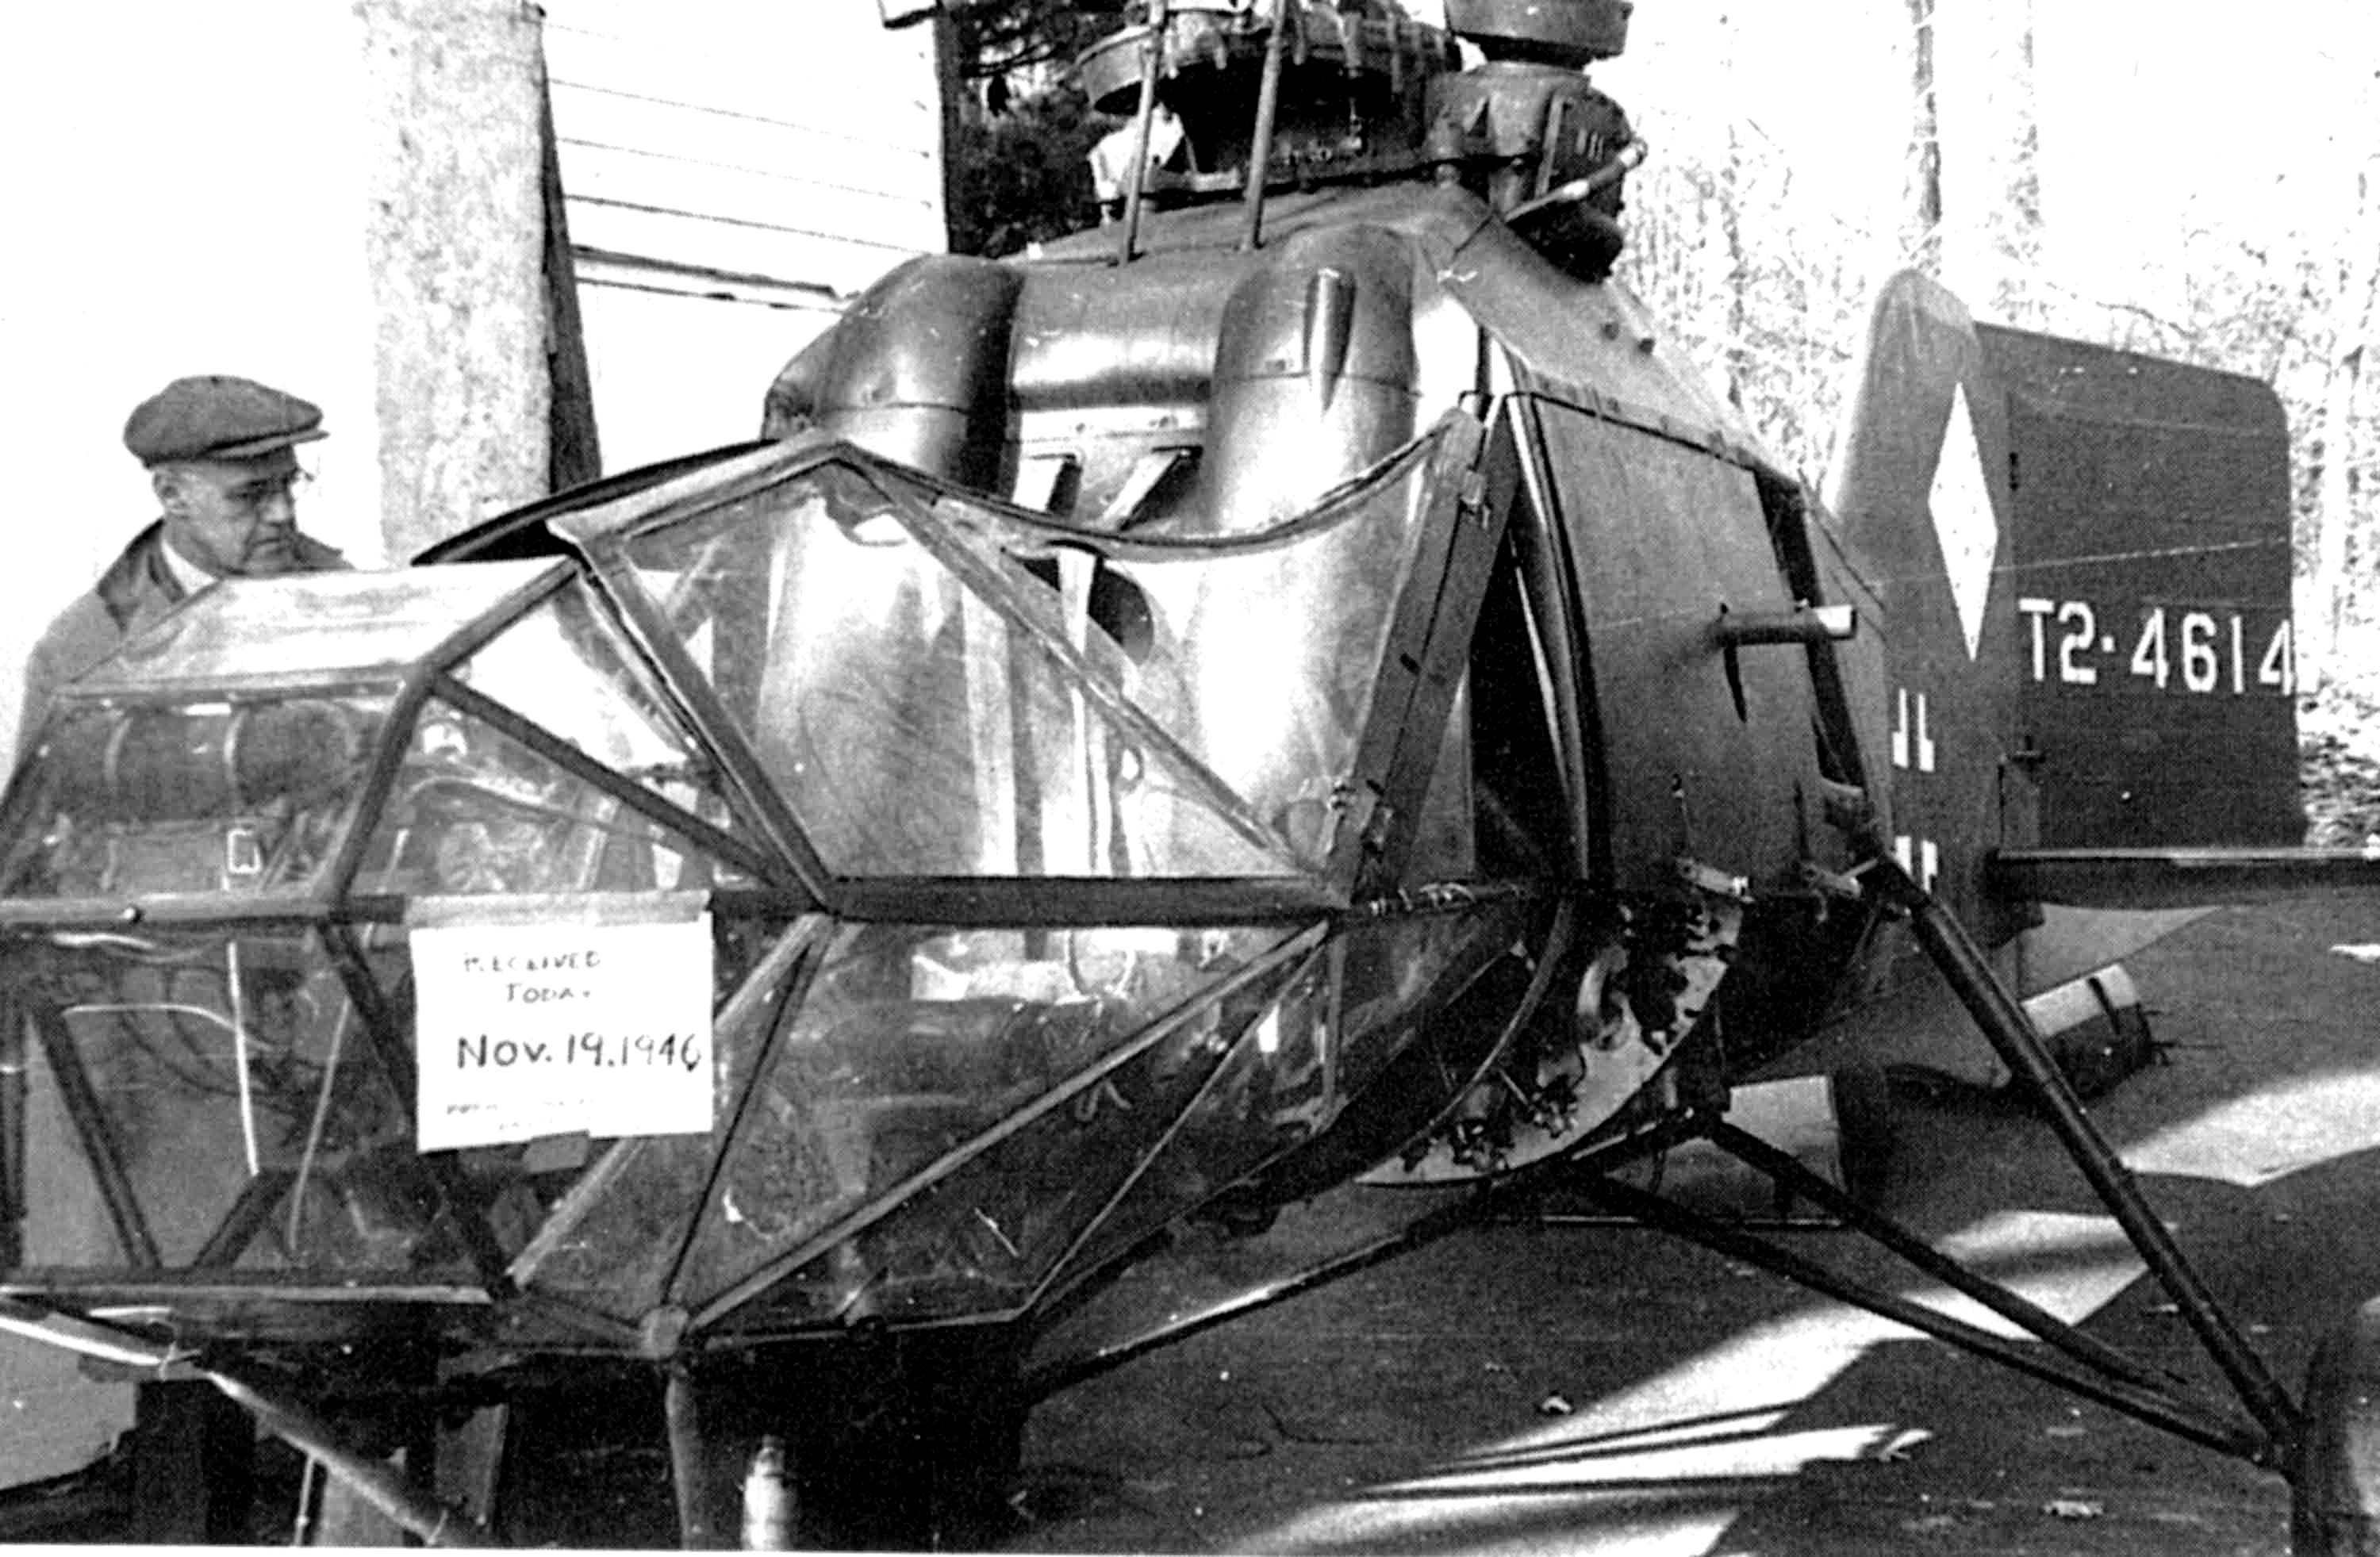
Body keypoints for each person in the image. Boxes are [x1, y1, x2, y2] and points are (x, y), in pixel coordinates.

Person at [17, 374, 347, 753]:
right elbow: (53, 789)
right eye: (250, 495)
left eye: (288, 484)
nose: (281, 512)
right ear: (172, 495)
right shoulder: (86, 650)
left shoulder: (343, 592)